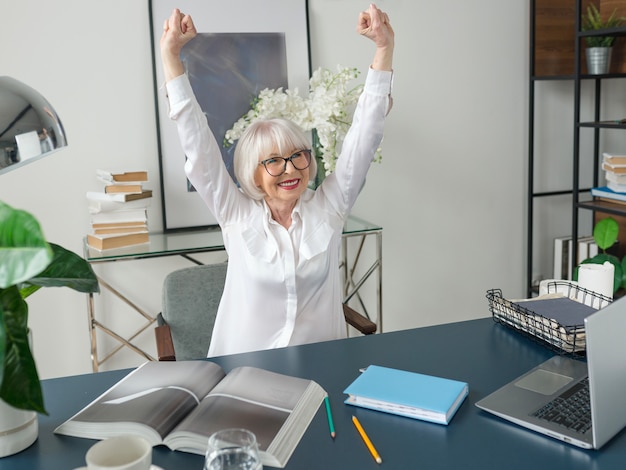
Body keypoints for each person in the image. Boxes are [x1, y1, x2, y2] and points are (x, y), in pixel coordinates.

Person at [160, 4, 394, 357]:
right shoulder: (235, 213)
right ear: (252, 172)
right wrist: (171, 55)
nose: (290, 169)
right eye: (273, 161)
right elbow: (198, 145)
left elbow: (364, 138)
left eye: (298, 155)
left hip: (320, 374)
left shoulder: (330, 208)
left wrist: (384, 49)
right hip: (244, 377)